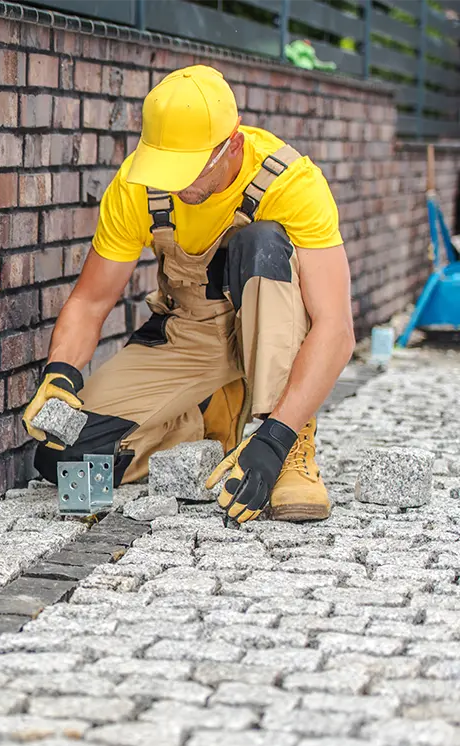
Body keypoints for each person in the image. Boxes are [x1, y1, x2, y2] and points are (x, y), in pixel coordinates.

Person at [22, 65, 355, 524]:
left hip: (274, 326)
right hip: (190, 335)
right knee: (65, 455)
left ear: (232, 146)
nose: (176, 185)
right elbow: (90, 301)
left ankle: (288, 438)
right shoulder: (135, 187)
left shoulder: (290, 181)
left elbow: (336, 328)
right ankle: (209, 423)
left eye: (188, 168)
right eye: (166, 167)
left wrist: (275, 438)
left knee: (261, 242)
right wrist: (60, 375)